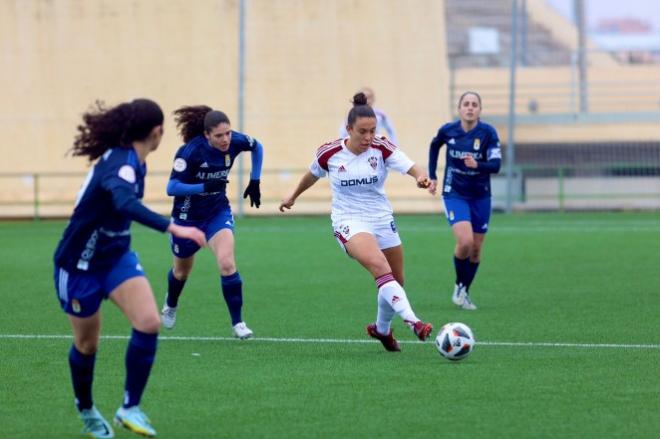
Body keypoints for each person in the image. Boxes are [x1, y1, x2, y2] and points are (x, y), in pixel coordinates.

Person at [53, 98, 206, 438]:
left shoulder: (137, 161)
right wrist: (174, 227)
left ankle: (129, 407)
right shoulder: (121, 163)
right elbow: (123, 201)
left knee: (149, 322)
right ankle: (87, 409)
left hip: (116, 256)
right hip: (79, 265)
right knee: (87, 345)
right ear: (157, 132)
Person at [280, 92, 433, 352]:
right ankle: (414, 322)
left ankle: (382, 330)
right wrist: (293, 195)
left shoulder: (381, 148)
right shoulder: (330, 153)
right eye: (362, 131)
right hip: (348, 221)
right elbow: (311, 175)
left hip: (381, 217)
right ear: (349, 129)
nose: (368, 137)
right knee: (379, 265)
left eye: (372, 131)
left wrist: (421, 177)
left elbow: (411, 166)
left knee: (396, 279)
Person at [160, 105, 263, 339]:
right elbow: (172, 188)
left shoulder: (235, 141)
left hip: (217, 212)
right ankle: (171, 303)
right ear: (207, 135)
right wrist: (205, 187)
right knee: (181, 272)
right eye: (219, 135)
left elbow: (257, 147)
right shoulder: (189, 152)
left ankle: (238, 323)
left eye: (228, 133)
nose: (226, 139)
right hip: (187, 218)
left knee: (227, 263)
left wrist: (254, 180)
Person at [427, 91, 502, 310]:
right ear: (459, 108)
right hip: (454, 193)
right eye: (466, 104)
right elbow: (434, 146)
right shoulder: (448, 130)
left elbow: (496, 166)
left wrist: (477, 165)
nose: (470, 108)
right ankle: (460, 286)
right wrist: (432, 175)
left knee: (477, 249)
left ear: (480, 110)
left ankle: (464, 289)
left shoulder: (488, 133)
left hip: (480, 195)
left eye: (474, 104)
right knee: (466, 242)